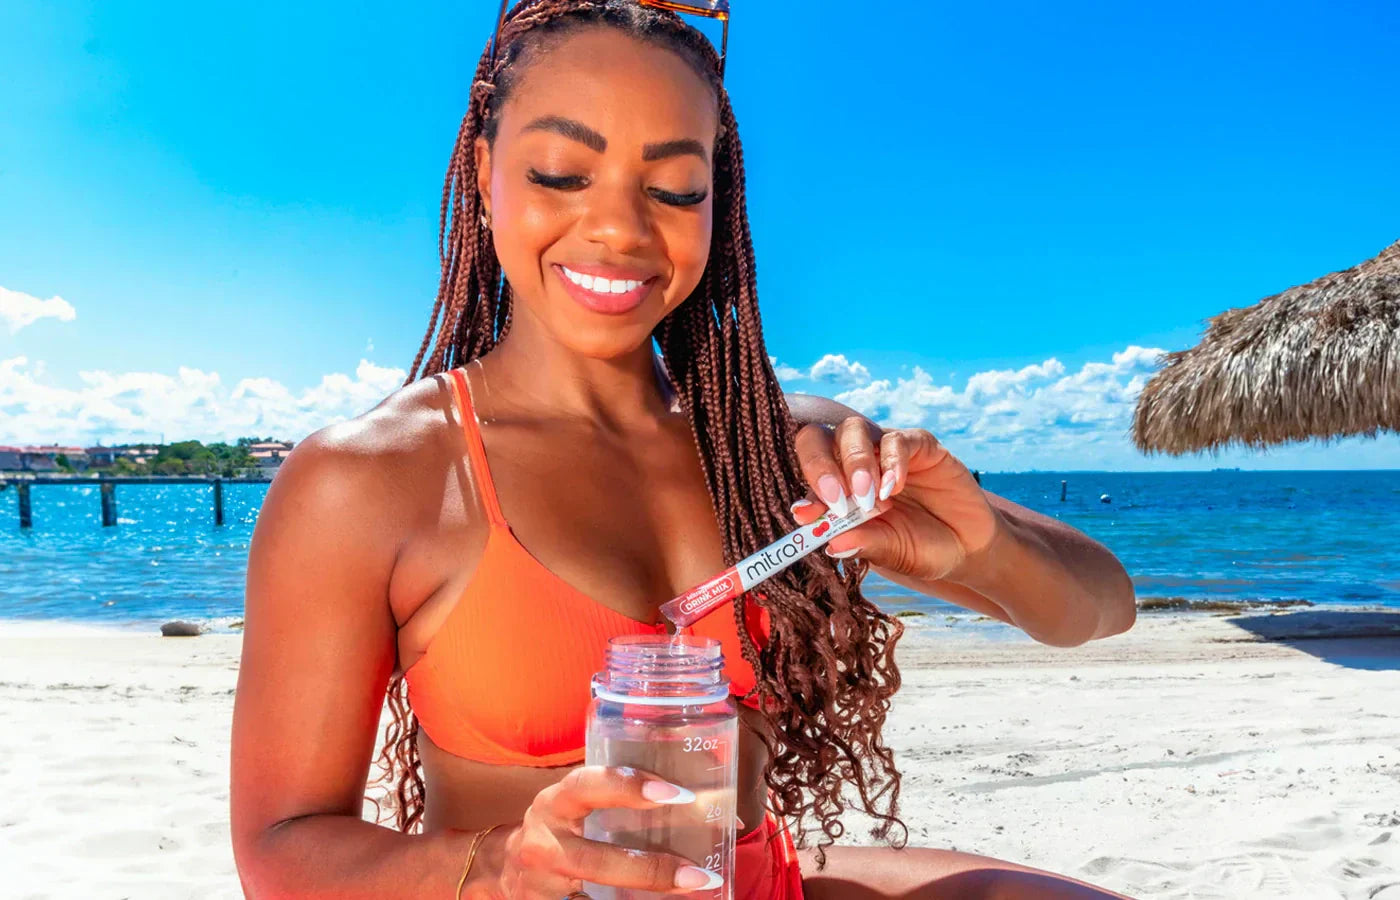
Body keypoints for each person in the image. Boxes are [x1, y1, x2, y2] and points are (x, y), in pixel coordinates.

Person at [230, 2, 1137, 897]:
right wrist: (502, 863)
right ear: (483, 170)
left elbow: (1101, 608)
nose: (621, 228)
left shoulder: (778, 449)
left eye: (673, 189)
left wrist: (978, 549)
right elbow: (279, 848)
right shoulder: (373, 480)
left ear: (718, 199)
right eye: (560, 173)